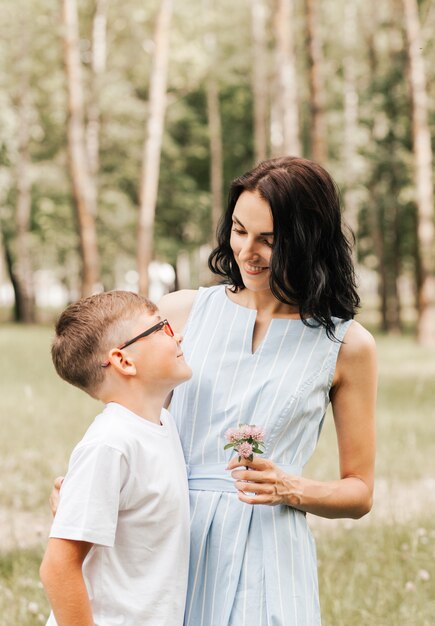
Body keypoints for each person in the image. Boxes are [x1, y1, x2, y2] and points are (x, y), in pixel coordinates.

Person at [50, 156, 377, 626]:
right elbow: (132, 416)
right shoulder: (180, 312)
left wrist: (291, 487)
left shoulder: (347, 344)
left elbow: (360, 491)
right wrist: (86, 489)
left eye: (268, 239)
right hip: (168, 539)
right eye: (240, 231)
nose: (248, 251)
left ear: (308, 241)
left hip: (270, 549)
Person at [40, 290, 192, 626]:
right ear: (123, 360)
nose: (177, 334)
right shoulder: (110, 443)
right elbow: (57, 567)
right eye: (162, 328)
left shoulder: (163, 424)